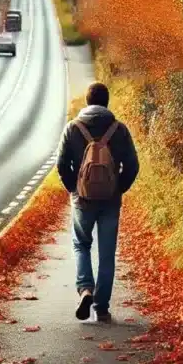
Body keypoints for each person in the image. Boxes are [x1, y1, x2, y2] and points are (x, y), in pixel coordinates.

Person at [56, 82, 139, 323]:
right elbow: (133, 166)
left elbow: (61, 165)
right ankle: (101, 307)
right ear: (107, 102)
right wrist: (118, 188)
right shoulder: (119, 130)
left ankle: (85, 289)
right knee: (106, 253)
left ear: (87, 102)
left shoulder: (73, 128)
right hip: (110, 201)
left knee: (81, 244)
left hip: (82, 200)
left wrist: (75, 188)